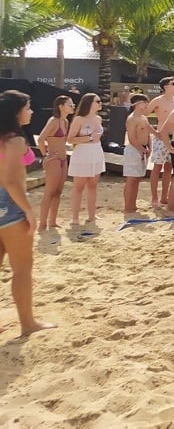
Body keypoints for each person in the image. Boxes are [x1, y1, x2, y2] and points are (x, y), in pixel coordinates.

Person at [0, 90, 56, 337]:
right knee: (22, 269)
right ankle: (28, 323)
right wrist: (28, 211)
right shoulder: (15, 141)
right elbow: (11, 181)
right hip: (9, 204)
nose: (31, 112)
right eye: (28, 107)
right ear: (16, 112)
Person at [36, 95, 74, 230]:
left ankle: (52, 221)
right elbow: (41, 139)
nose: (73, 106)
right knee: (49, 192)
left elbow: (62, 142)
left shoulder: (65, 122)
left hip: (63, 159)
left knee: (58, 191)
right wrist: (45, 155)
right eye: (70, 104)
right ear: (61, 106)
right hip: (54, 159)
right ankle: (42, 224)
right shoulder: (53, 121)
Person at [67, 93, 105, 226]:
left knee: (93, 185)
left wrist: (95, 139)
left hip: (96, 152)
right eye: (97, 101)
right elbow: (70, 139)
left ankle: (91, 215)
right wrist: (89, 138)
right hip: (82, 153)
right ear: (89, 103)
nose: (100, 103)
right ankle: (75, 218)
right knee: (78, 187)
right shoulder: (79, 119)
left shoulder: (99, 119)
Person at [147, 76, 174, 209]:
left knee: (169, 167)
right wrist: (154, 132)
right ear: (166, 87)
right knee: (157, 167)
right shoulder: (157, 101)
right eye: (173, 83)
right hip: (161, 137)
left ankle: (164, 197)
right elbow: (142, 115)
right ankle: (154, 198)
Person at [122, 94, 151, 214]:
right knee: (131, 180)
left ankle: (133, 205)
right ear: (137, 104)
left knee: (137, 179)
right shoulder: (132, 118)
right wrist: (142, 150)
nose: (146, 105)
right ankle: (127, 206)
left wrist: (149, 148)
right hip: (134, 151)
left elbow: (148, 134)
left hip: (143, 150)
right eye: (144, 103)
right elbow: (132, 138)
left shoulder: (144, 118)